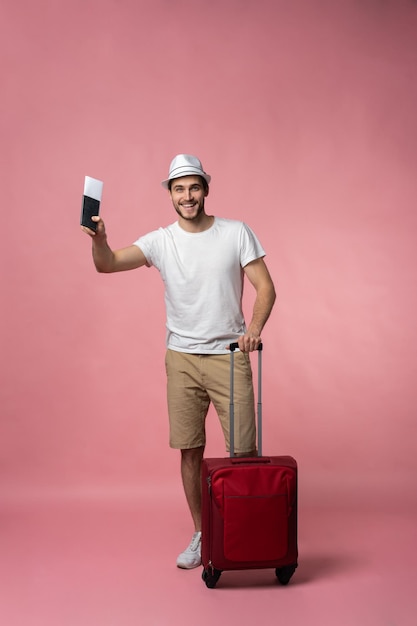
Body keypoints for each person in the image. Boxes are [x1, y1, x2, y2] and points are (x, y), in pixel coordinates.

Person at [81, 154, 276, 569]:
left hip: (229, 355)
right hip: (182, 359)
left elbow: (266, 288)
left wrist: (254, 328)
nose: (187, 196)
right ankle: (204, 535)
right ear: (170, 194)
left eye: (194, 187)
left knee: (243, 453)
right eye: (179, 189)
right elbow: (108, 264)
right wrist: (99, 238)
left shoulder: (236, 232)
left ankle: (244, 534)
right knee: (190, 450)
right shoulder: (160, 241)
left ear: (206, 188)